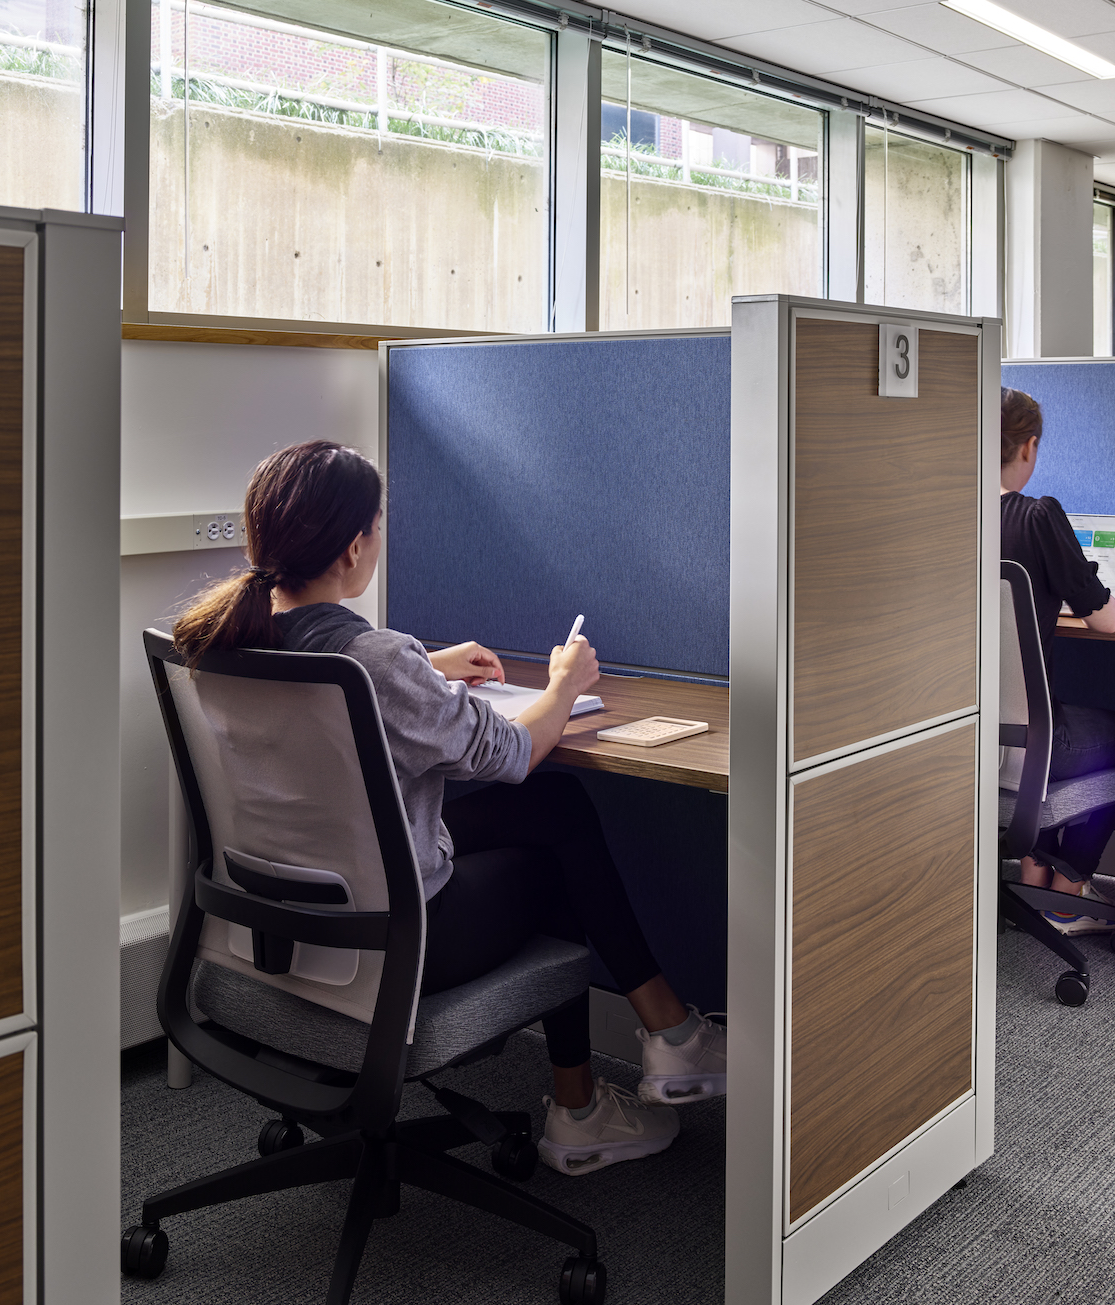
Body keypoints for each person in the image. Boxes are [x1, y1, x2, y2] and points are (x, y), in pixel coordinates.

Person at [171, 439, 725, 1177]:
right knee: (551, 832)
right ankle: (593, 1099)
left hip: (280, 927)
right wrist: (563, 685)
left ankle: (651, 1048)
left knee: (551, 807)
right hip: (393, 943)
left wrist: (424, 671)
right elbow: (510, 752)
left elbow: (345, 692)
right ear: (355, 544)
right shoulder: (372, 661)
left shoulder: (221, 639)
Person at [998, 388, 1115, 935]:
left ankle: (1033, 875)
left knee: (1055, 725)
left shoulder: (946, 512)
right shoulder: (1038, 517)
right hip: (1030, 738)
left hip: (963, 735)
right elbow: (1105, 620)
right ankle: (1069, 892)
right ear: (1029, 447)